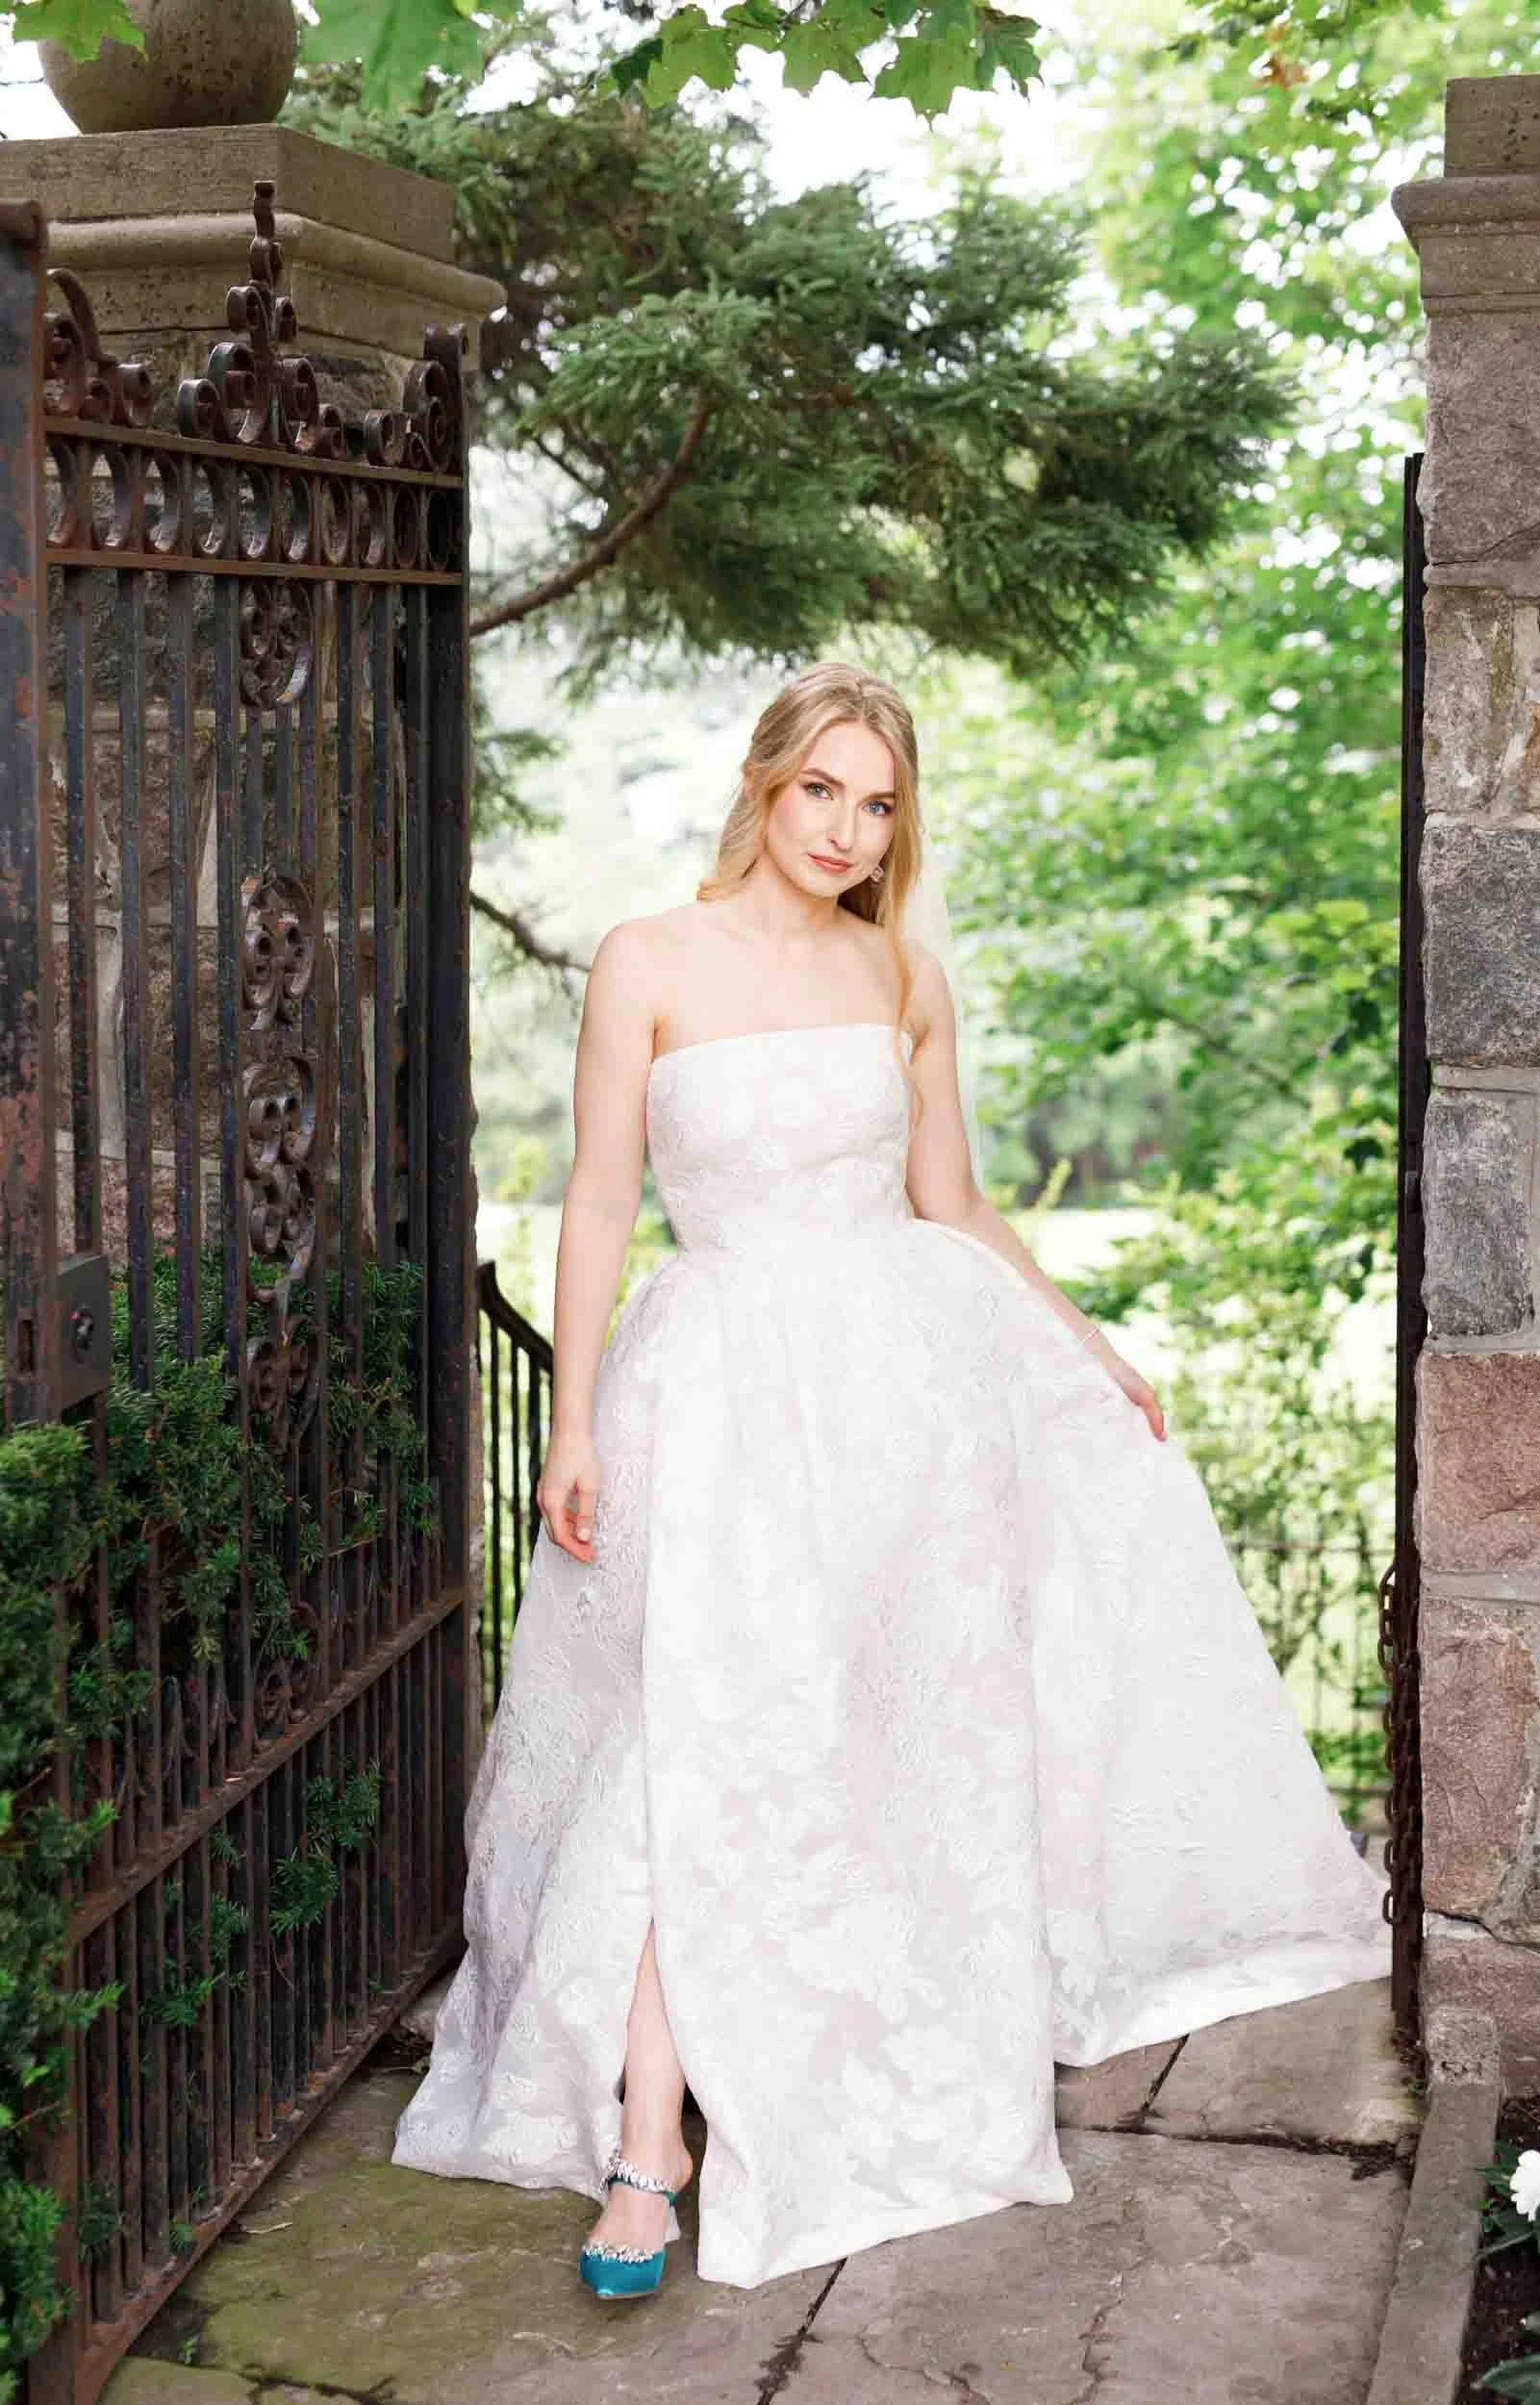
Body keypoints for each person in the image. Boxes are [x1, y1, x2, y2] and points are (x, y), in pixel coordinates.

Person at [391, 659, 1392, 2298]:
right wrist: (572, 1426)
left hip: (892, 1410)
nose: (849, 829)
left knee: (813, 1746)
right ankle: (655, 2140)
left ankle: (763, 2067)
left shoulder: (902, 977)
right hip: (711, 1397)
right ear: (763, 781)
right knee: (681, 1733)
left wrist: (1090, 1347)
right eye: (822, 792)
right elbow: (593, 1206)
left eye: (879, 804)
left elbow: (959, 1207)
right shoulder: (649, 961)